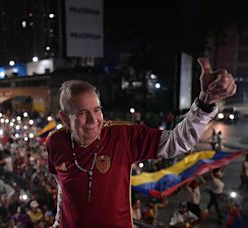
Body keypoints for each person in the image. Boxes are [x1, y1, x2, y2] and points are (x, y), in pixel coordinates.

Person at [46, 58, 237, 227]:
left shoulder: (123, 135)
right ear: (64, 118)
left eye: (97, 110)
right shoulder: (55, 141)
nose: (93, 120)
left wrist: (205, 102)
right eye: (81, 113)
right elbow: (63, 191)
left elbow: (178, 142)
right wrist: (57, 223)